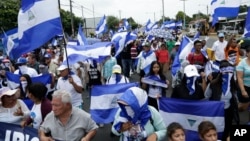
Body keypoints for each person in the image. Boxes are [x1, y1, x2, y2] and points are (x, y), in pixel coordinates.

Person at [204, 60, 237, 141]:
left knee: (226, 130)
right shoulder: (213, 84)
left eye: (230, 72)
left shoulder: (232, 84)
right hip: (216, 112)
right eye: (226, 72)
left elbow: (235, 97)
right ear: (221, 73)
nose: (228, 75)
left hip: (228, 112)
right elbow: (207, 96)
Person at [236, 46, 250, 112]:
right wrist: (243, 90)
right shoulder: (242, 63)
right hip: (245, 87)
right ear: (247, 53)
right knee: (243, 107)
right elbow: (240, 78)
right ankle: (234, 112)